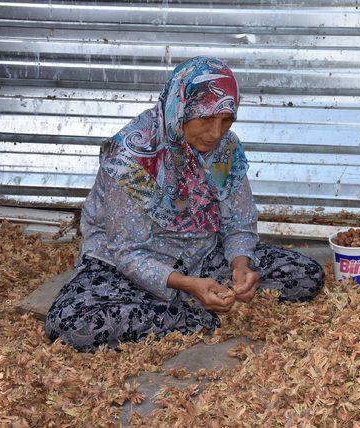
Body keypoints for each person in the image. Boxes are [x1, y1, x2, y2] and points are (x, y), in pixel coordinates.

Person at [45, 57, 325, 351]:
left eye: (226, 119)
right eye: (205, 119)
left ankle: (178, 307)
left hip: (200, 256)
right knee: (69, 323)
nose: (216, 133)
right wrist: (189, 284)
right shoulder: (132, 157)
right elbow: (128, 254)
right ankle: (189, 314)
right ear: (180, 109)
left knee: (306, 276)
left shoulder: (225, 149)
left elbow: (239, 221)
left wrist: (240, 266)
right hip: (125, 267)